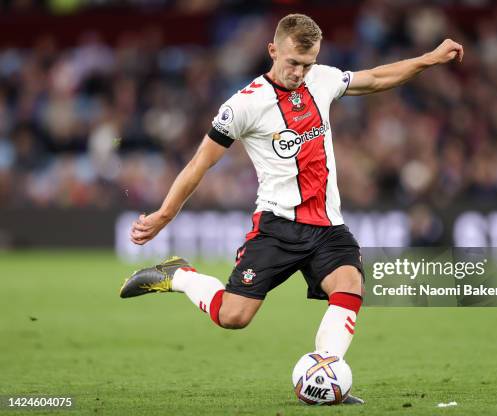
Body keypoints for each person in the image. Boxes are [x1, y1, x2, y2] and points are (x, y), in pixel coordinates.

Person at [120, 13, 463, 405]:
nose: (300, 72)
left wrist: (428, 60)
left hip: (328, 226)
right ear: (272, 50)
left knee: (349, 285)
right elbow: (200, 163)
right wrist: (164, 215)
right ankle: (177, 274)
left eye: (308, 63)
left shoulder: (322, 79)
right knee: (234, 316)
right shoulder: (243, 106)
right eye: (293, 63)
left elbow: (375, 78)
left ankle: (325, 378)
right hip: (277, 226)